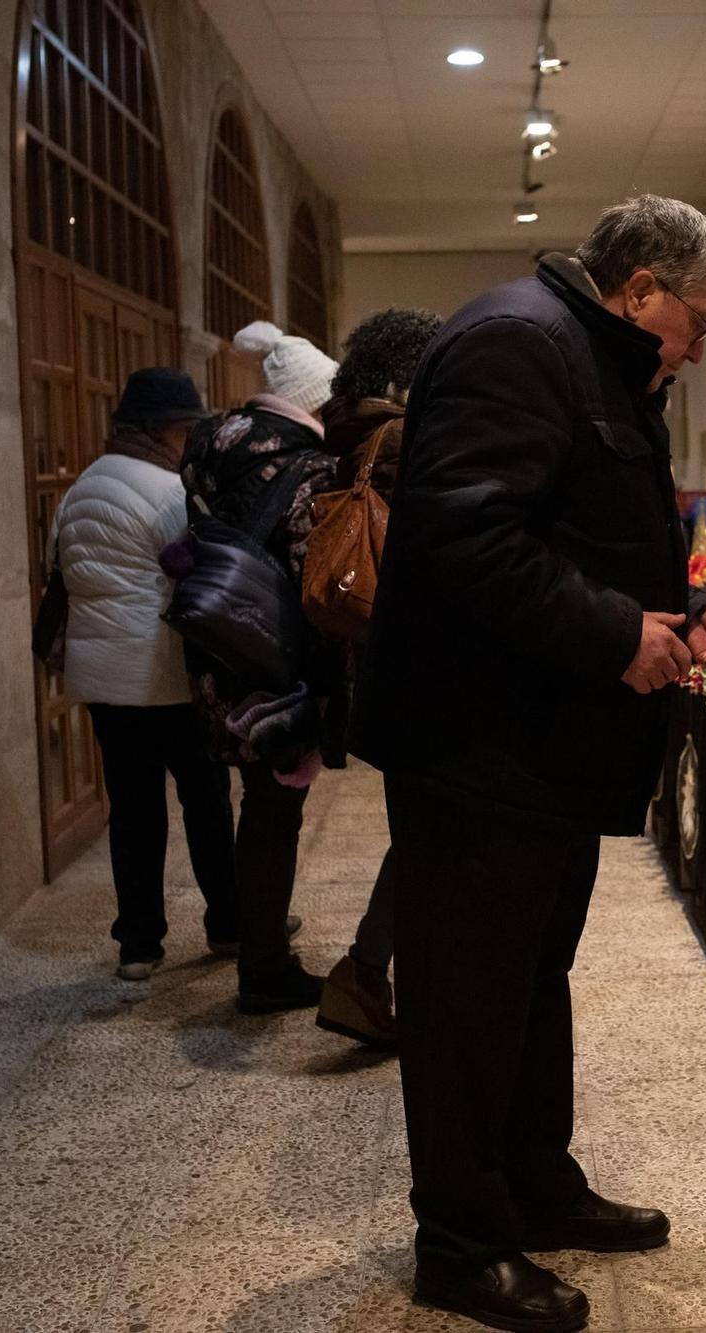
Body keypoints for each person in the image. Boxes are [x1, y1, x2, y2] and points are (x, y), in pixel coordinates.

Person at [353, 195, 706, 1333]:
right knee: (466, 1000)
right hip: (478, 742)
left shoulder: (590, 355)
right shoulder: (517, 343)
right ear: (640, 289)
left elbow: (580, 527)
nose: (699, 345)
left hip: (542, 747)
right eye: (696, 320)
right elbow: (465, 537)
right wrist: (615, 633)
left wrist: (684, 607)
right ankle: (460, 1244)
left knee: (530, 979)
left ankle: (534, 1182)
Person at [51, 368, 237, 982]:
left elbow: (60, 572)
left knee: (132, 809)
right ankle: (229, 923)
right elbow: (200, 573)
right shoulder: (165, 493)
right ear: (163, 431)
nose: (190, 442)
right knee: (206, 798)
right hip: (162, 673)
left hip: (101, 678)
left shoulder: (80, 488)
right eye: (186, 430)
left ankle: (138, 943)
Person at [176, 380, 342, 1014]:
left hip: (219, 643)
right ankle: (264, 966)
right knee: (275, 809)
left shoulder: (211, 448)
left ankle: (255, 943)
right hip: (276, 656)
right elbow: (312, 575)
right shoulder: (308, 468)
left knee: (257, 801)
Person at [312, 306, 443, 1049]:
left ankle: (370, 973)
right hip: (420, 650)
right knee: (430, 827)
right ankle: (368, 971)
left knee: (419, 822)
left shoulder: (349, 432)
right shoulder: (399, 437)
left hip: (378, 649)